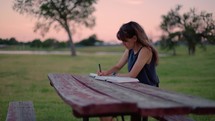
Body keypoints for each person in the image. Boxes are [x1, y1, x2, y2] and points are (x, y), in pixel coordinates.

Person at [98, 21, 159, 121]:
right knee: (104, 110)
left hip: (148, 91)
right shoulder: (129, 49)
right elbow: (118, 66)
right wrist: (106, 73)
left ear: (135, 38)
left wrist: (113, 75)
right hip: (134, 89)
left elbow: (132, 75)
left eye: (125, 41)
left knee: (109, 107)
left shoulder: (145, 50)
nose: (123, 44)